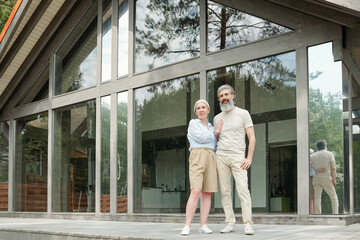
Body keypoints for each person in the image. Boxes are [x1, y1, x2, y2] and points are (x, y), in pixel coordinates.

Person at [213, 84, 256, 235]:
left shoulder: (243, 113)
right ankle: (230, 222)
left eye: (226, 95)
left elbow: (252, 138)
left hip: (238, 156)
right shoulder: (217, 118)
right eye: (221, 96)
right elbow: (216, 140)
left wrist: (249, 158)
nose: (224, 98)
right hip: (221, 156)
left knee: (243, 189)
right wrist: (216, 132)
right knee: (225, 192)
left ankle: (248, 223)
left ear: (232, 95)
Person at [181, 99, 222, 236]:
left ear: (208, 110)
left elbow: (214, 144)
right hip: (197, 155)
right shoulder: (193, 123)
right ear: (196, 111)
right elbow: (202, 138)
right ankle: (187, 225)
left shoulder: (211, 126)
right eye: (198, 108)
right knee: (196, 191)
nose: (201, 110)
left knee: (207, 192)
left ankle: (203, 225)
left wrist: (214, 133)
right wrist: (215, 133)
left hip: (211, 156)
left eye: (203, 107)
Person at [310, 139, 338, 214]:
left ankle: (317, 215)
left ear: (317, 147)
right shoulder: (330, 154)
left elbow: (308, 169)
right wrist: (334, 179)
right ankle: (335, 214)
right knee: (333, 197)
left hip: (316, 179)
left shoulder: (312, 156)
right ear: (325, 146)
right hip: (326, 178)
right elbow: (333, 168)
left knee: (317, 198)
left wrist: (316, 171)